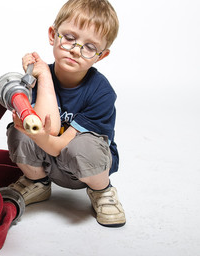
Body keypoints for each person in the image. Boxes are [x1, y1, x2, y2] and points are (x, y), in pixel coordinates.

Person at [7, 0, 125, 227]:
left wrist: (40, 136)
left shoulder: (102, 92)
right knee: (19, 131)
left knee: (83, 147)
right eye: (69, 37)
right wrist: (44, 77)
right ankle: (37, 182)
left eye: (90, 47)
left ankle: (103, 191)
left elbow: (57, 141)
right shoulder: (36, 77)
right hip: (47, 161)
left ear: (101, 55)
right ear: (53, 35)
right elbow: (43, 127)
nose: (75, 49)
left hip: (83, 168)